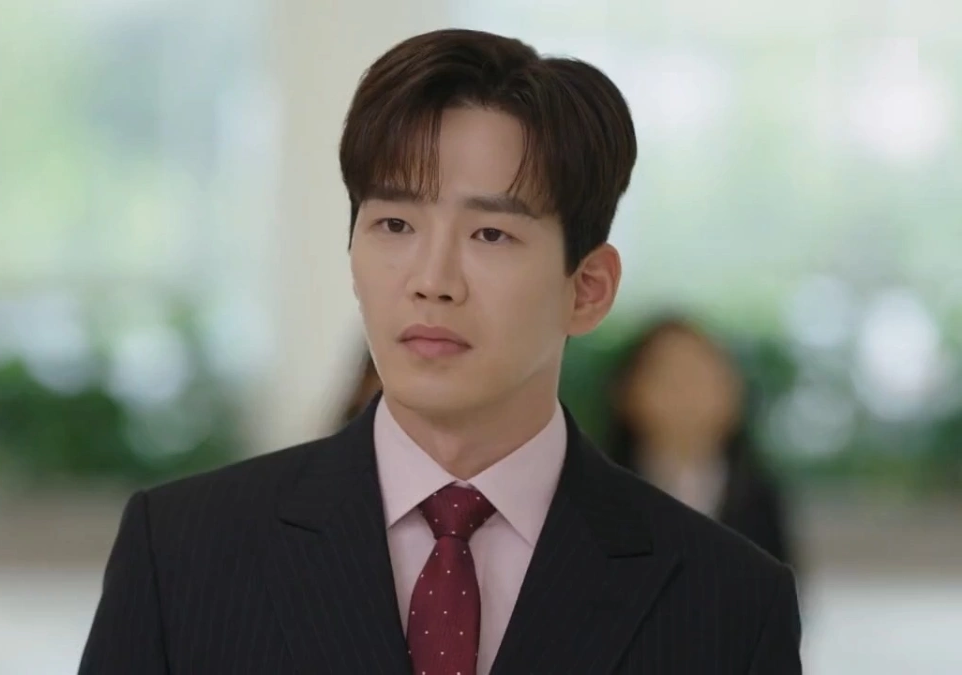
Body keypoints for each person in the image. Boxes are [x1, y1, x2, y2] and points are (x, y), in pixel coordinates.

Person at [79, 29, 800, 675]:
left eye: (491, 234)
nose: (431, 280)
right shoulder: (183, 551)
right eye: (395, 224)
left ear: (587, 288)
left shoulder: (728, 600)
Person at [604, 316, 797, 567]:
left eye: (703, 377)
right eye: (671, 379)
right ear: (627, 392)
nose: (689, 396)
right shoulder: (600, 494)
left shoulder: (758, 496)